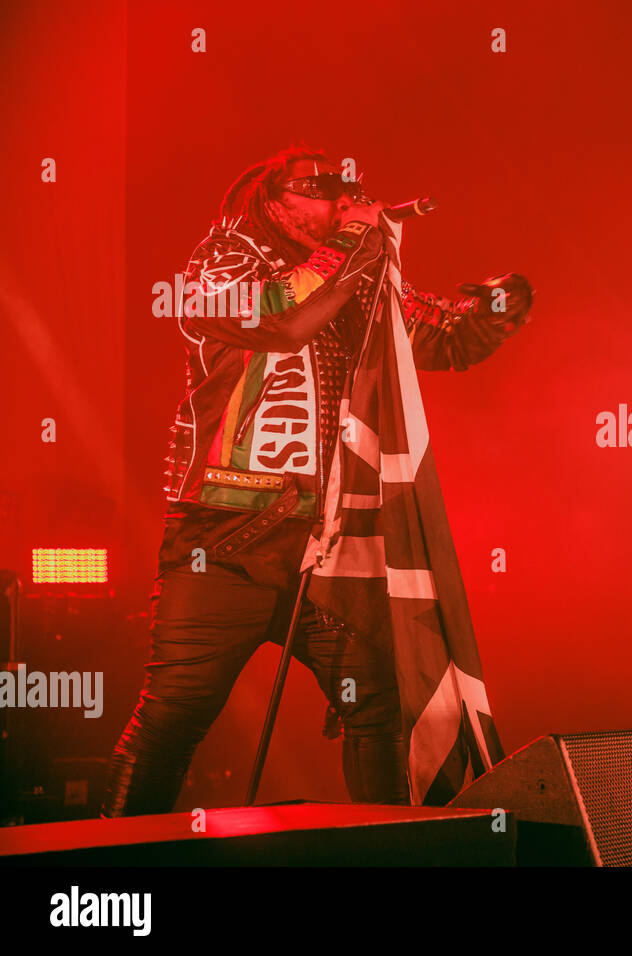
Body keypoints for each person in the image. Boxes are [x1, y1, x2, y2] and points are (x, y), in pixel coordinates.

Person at [102, 148, 532, 815]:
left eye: (347, 188)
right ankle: (111, 861)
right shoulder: (221, 262)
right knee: (174, 715)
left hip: (326, 547)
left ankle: (387, 853)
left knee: (379, 704)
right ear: (271, 199)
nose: (339, 200)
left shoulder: (351, 273)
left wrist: (498, 309)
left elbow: (440, 340)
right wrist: (358, 238)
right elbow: (282, 316)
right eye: (320, 188)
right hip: (222, 544)